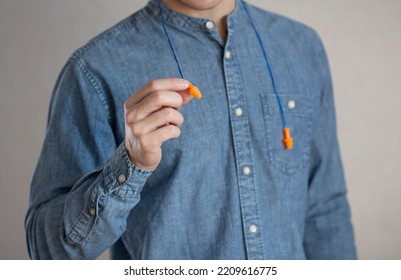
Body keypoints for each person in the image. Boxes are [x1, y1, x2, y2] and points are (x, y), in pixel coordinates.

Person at [25, 0, 357, 259]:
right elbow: (49, 253)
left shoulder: (302, 48)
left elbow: (325, 210)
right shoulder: (95, 70)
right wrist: (130, 164)